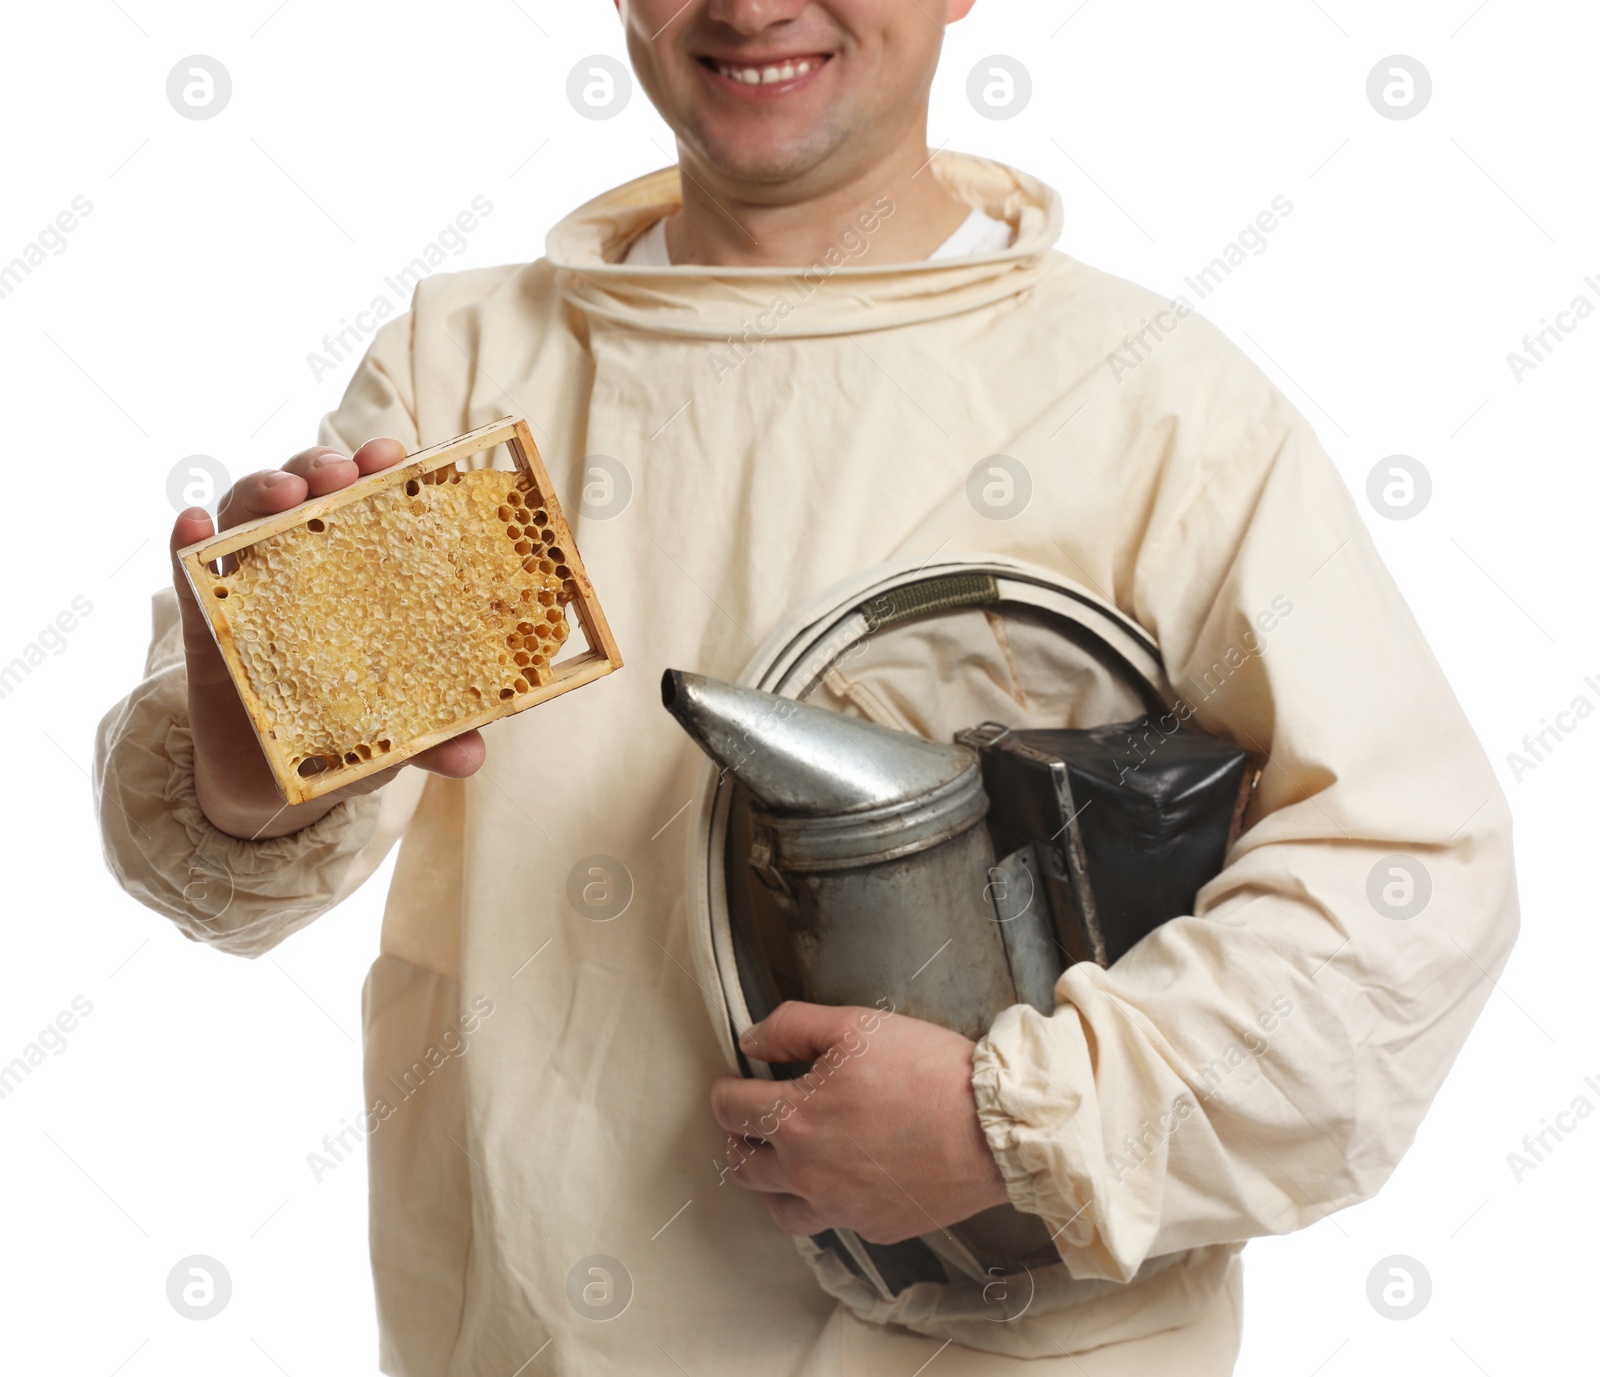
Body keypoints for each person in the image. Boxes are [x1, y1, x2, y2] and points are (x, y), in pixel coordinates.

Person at [94, 1, 1519, 1373]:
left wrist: (1012, 1122)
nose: (752, 3)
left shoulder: (1152, 406)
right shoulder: (468, 376)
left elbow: (1410, 881)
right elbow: (220, 849)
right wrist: (251, 767)